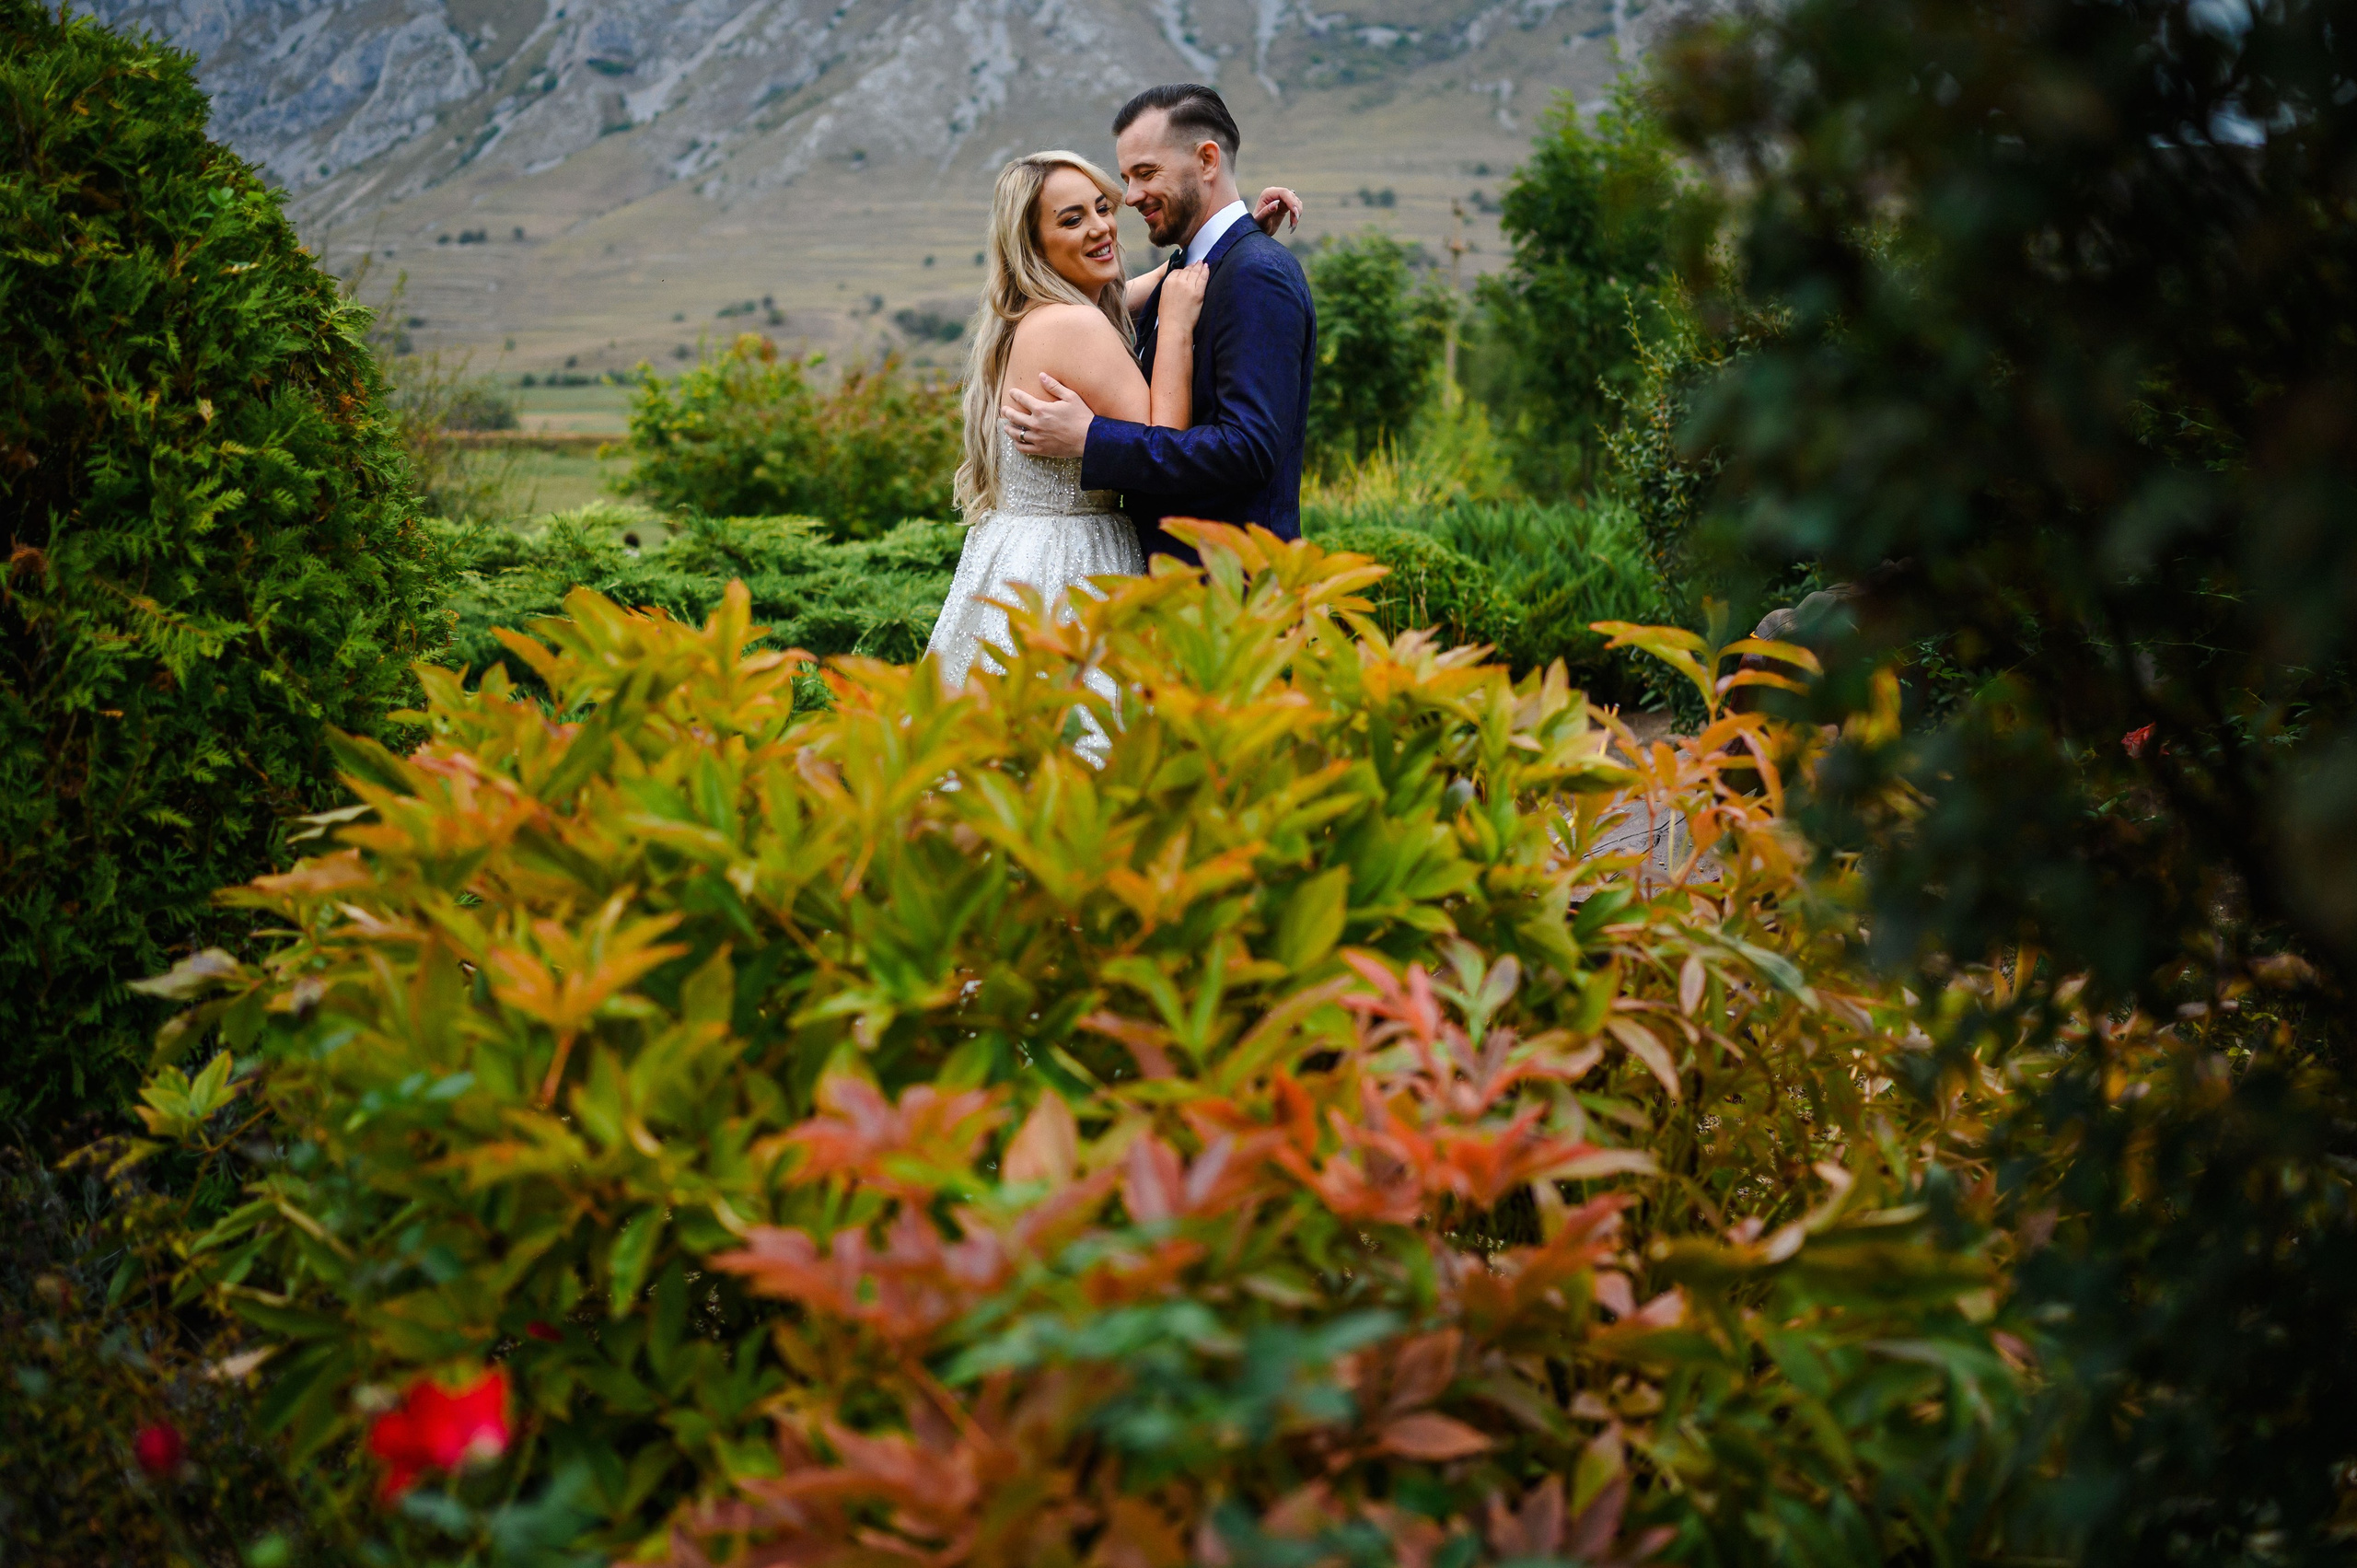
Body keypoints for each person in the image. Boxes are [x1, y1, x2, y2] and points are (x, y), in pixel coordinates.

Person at [925, 148, 1302, 705]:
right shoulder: (1075, 324)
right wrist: (1175, 327)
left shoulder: (1028, 315)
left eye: (1103, 207)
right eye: (1072, 219)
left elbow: (1135, 290)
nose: (1102, 227)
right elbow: (1164, 439)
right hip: (1069, 567)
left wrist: (1231, 244)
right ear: (1033, 245)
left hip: (1012, 556)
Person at [1002, 84, 1317, 564]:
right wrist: (1238, 236)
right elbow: (1120, 302)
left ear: (1207, 161)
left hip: (1229, 597)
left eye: (1146, 174)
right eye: (1126, 179)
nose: (1129, 198)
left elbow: (1249, 451)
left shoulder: (1255, 275)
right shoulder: (1199, 273)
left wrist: (1091, 438)